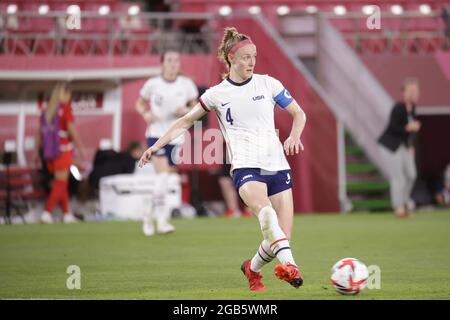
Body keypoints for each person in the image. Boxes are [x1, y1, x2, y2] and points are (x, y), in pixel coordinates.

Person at [138, 27, 307, 291]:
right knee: (266, 216)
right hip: (246, 166)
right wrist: (155, 146)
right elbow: (184, 121)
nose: (251, 62)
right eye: (245, 57)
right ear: (231, 58)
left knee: (279, 238)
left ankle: (251, 269)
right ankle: (292, 267)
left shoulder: (269, 84)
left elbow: (299, 114)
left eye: (254, 56)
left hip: (278, 165)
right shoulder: (217, 93)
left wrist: (295, 136)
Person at [135, 49, 198, 235]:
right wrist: (145, 113)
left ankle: (151, 211)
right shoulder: (153, 84)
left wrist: (186, 109)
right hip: (156, 135)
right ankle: (157, 219)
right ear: (162, 63)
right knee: (162, 175)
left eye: (176, 60)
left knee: (166, 178)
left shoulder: (186, 84)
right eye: (169, 60)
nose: (173, 64)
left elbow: (196, 106)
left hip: (177, 137)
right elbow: (139, 103)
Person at [34, 82, 86, 224]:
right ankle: (47, 212)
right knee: (60, 182)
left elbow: (39, 133)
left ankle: (67, 214)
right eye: (69, 94)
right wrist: (81, 148)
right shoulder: (65, 108)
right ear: (65, 94)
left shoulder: (47, 109)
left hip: (50, 151)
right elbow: (71, 130)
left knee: (61, 181)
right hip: (63, 150)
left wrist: (36, 151)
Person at [378, 78, 421, 218]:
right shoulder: (398, 108)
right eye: (411, 91)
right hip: (390, 145)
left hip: (403, 145)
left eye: (415, 90)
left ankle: (404, 201)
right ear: (404, 92)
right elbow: (393, 128)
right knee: (398, 177)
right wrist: (408, 128)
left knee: (411, 174)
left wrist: (410, 145)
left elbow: (412, 133)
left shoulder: (413, 108)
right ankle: (398, 207)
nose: (414, 93)